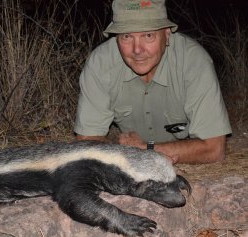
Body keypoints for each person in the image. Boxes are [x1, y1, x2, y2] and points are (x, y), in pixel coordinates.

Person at [74, 0, 232, 164]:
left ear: (167, 33)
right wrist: (129, 151)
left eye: (148, 35)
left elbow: (214, 149)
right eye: (127, 37)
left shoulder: (194, 61)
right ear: (115, 38)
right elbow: (87, 140)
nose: (137, 50)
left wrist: (145, 149)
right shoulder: (100, 64)